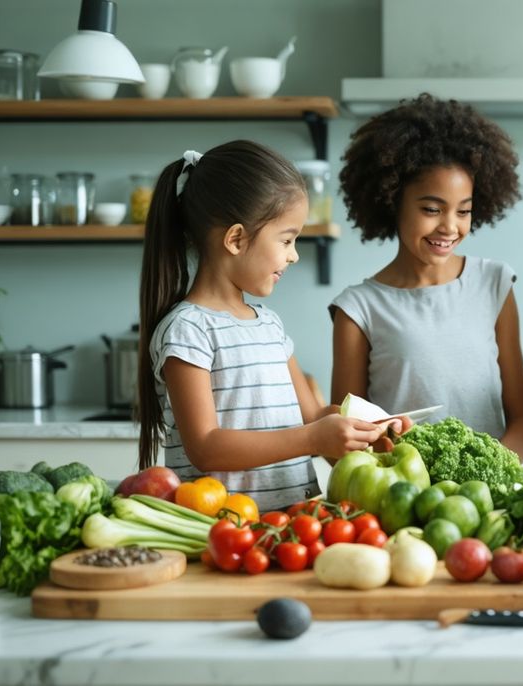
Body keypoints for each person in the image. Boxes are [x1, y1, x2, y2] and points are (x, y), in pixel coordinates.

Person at [136, 140, 392, 511]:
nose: (294, 254)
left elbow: (314, 416)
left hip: (289, 528)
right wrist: (313, 439)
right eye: (287, 239)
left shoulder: (269, 326)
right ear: (236, 239)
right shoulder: (187, 330)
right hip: (224, 534)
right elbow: (205, 447)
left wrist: (369, 424)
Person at [331, 94, 523, 459]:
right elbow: (346, 439)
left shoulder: (495, 284)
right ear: (392, 199)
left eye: (464, 211)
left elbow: (522, 423)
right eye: (431, 209)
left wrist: (489, 474)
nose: (449, 227)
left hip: (488, 503)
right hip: (401, 499)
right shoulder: (358, 309)